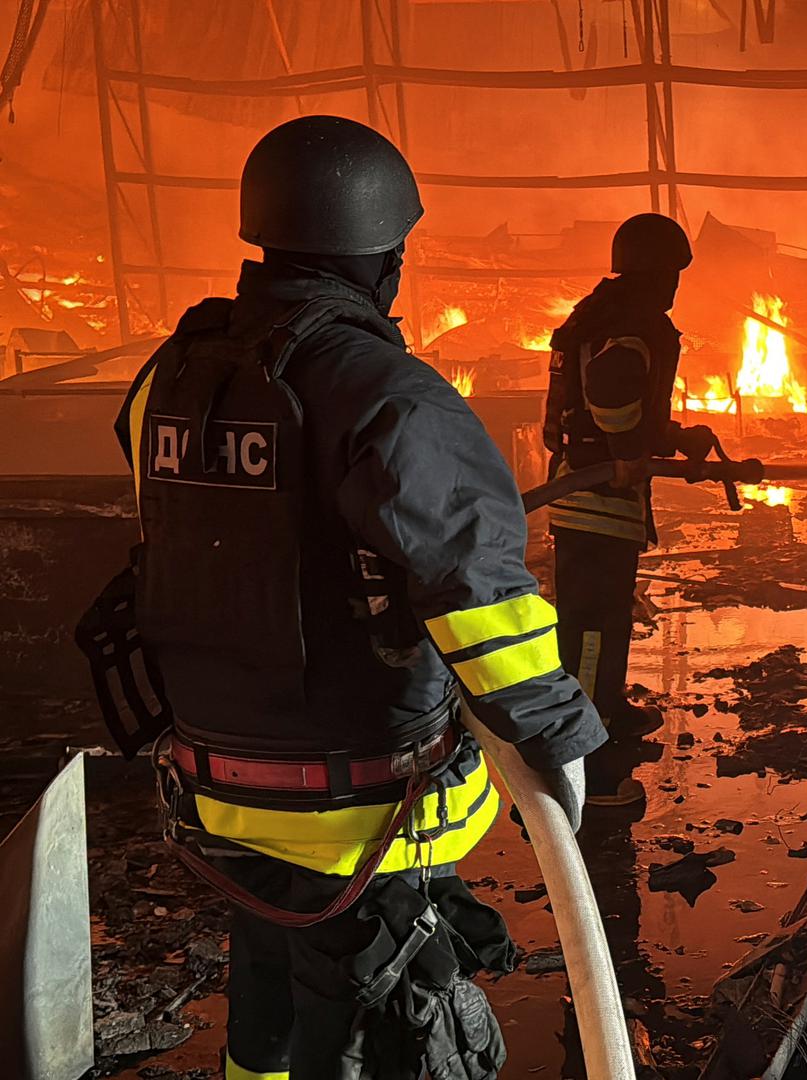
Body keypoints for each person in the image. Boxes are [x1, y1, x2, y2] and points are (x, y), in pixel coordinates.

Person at [114, 115, 607, 1080]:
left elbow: (183, 536)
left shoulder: (172, 375)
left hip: (220, 800)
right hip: (368, 819)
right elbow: (479, 593)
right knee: (380, 1038)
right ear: (385, 254)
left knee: (266, 1018)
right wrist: (560, 736)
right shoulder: (391, 396)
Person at [542, 212, 716, 808]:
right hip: (598, 506)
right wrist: (622, 450)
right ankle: (589, 769)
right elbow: (612, 389)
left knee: (599, 628)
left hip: (582, 498)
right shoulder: (636, 326)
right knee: (594, 635)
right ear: (657, 274)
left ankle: (606, 709)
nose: (675, 288)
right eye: (673, 275)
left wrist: (674, 438)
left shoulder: (600, 317)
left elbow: (611, 405)